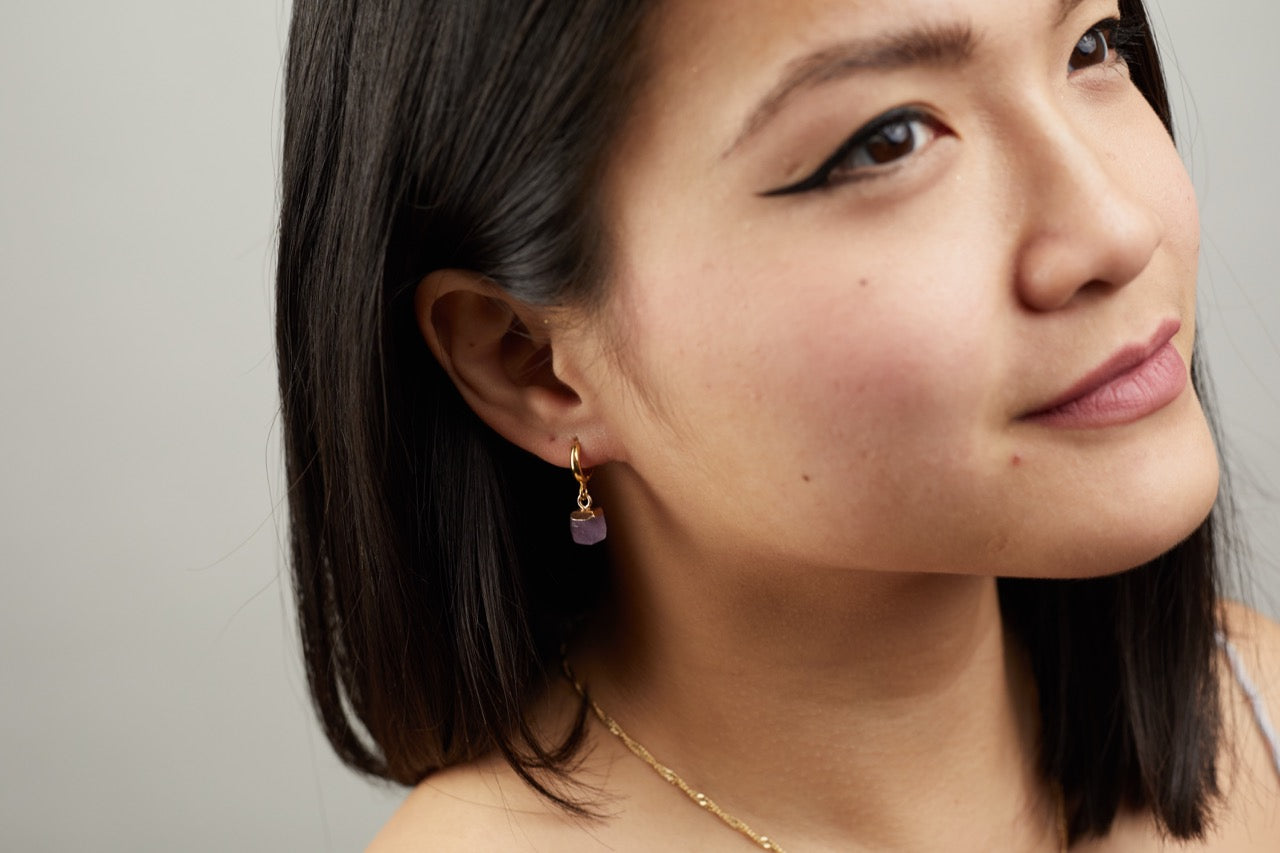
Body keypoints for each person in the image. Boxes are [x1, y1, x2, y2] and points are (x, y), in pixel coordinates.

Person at [274, 0, 1280, 849]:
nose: (1113, 227)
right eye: (886, 139)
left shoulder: (1258, 703)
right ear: (528, 360)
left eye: (1090, 49)